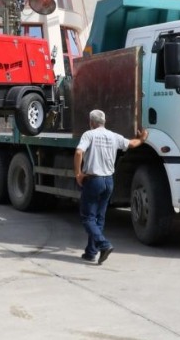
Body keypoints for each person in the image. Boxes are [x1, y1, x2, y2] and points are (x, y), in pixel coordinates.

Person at [74, 109, 148, 265]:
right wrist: (142, 139)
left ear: (91, 122)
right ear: (104, 122)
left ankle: (104, 244)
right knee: (99, 218)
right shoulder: (114, 136)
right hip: (109, 181)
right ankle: (91, 252)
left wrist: (78, 174)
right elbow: (132, 144)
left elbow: (79, 152)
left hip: (94, 180)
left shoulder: (89, 135)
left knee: (88, 218)